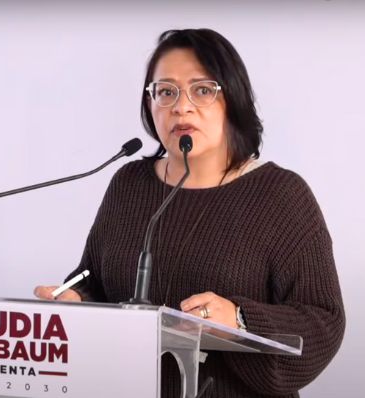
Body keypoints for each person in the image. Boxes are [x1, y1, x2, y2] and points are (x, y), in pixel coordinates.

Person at [35, 28, 345, 397]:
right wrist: (76, 300)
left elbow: (323, 322)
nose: (181, 106)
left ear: (232, 97)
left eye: (201, 90)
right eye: (166, 92)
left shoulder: (280, 195)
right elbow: (96, 280)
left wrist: (241, 320)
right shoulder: (129, 184)